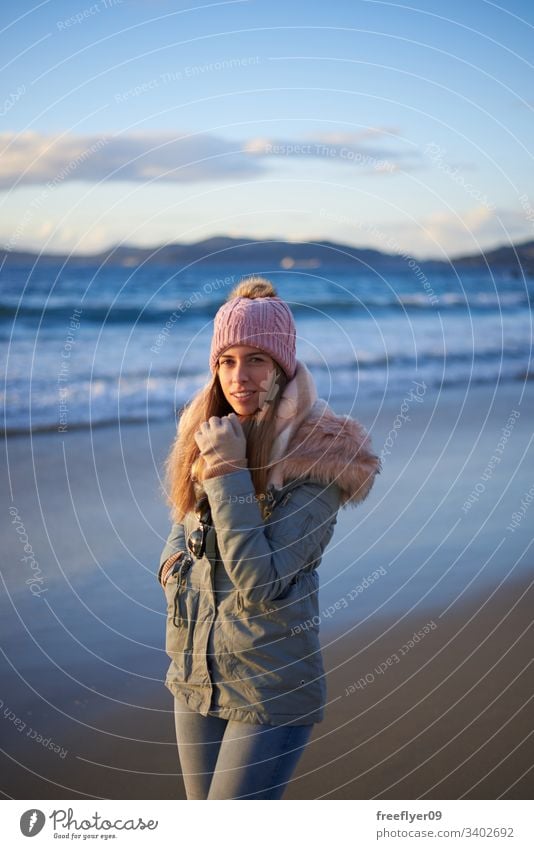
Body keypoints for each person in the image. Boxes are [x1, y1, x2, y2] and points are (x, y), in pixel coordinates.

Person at [158, 276, 380, 799]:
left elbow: (259, 581)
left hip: (268, 682)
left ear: (282, 363)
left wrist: (228, 471)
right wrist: (171, 573)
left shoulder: (321, 454)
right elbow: (182, 527)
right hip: (194, 672)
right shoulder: (210, 431)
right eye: (227, 360)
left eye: (256, 359)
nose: (240, 377)